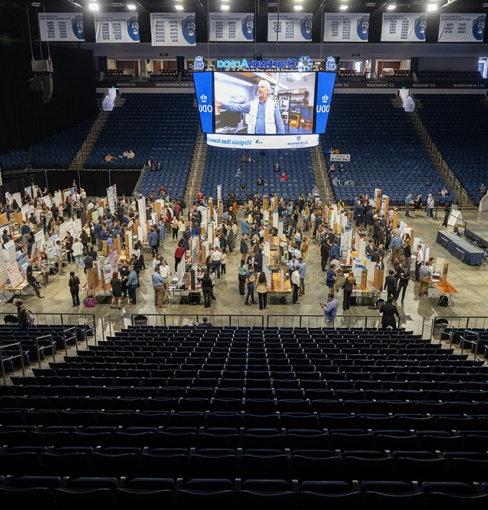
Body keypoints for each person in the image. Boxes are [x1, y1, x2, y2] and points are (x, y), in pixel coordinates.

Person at [216, 79, 285, 134]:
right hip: (253, 138)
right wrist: (222, 105)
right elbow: (238, 107)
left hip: (268, 138)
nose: (259, 89)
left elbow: (279, 123)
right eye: (258, 87)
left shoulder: (273, 105)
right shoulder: (252, 104)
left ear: (267, 91)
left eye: (262, 87)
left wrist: (280, 139)